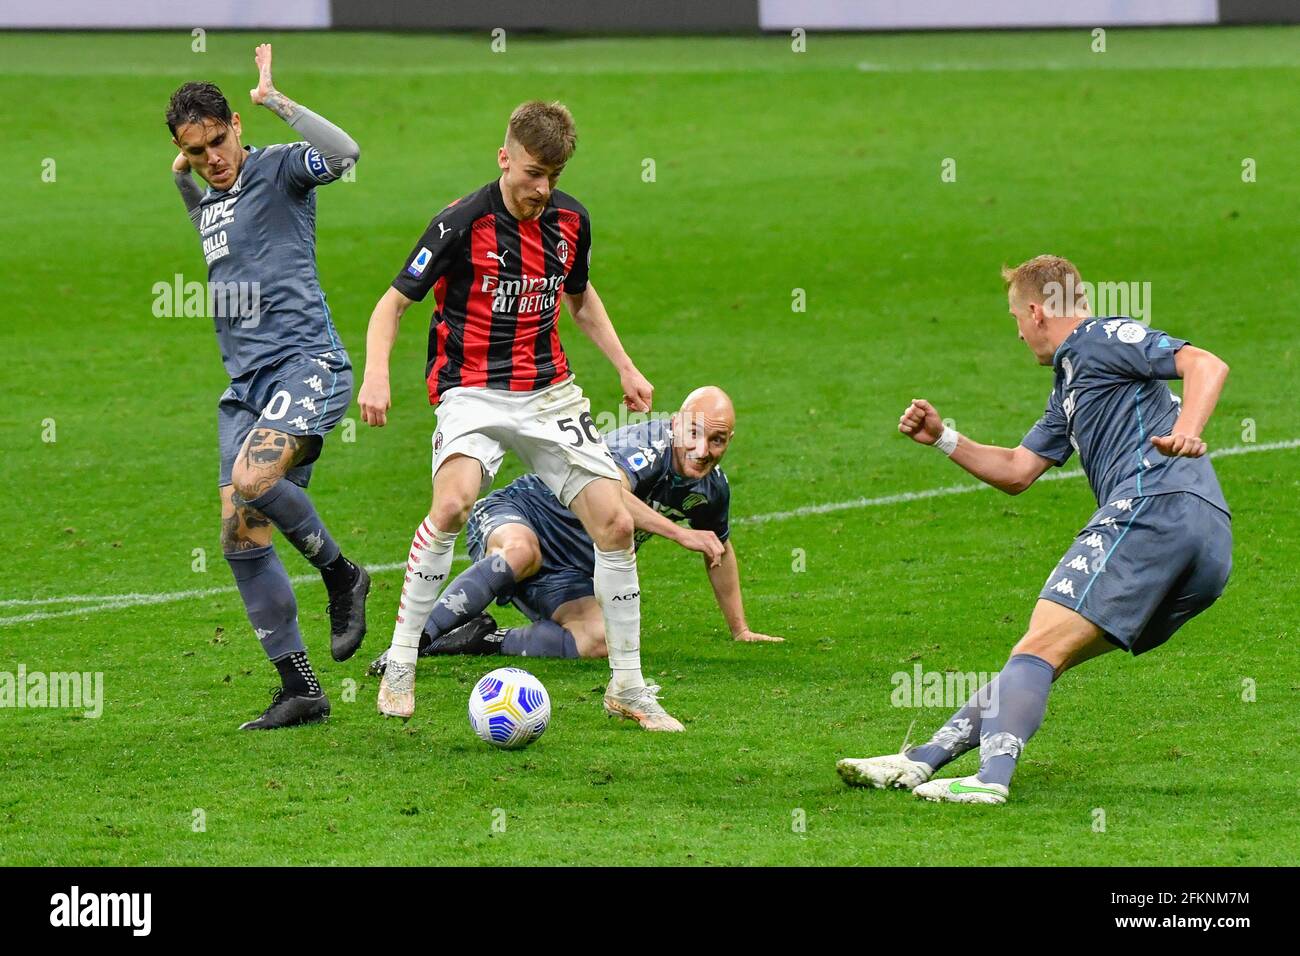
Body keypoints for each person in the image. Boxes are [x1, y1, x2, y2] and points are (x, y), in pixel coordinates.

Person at [838, 255, 1232, 803]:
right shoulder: (1071, 384)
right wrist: (943, 438)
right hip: (1206, 540)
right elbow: (1018, 471)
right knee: (1042, 654)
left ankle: (989, 780)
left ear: (1035, 310)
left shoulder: (1100, 337)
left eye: (1014, 319)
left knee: (1038, 651)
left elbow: (1206, 364)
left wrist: (1187, 431)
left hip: (1152, 508)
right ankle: (921, 761)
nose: (1019, 334)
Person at [359, 100, 675, 728]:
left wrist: (625, 366)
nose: (542, 189)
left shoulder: (571, 222)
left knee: (613, 525)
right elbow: (391, 305)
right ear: (504, 158)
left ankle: (628, 688)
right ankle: (401, 661)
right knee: (451, 507)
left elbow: (580, 300)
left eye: (553, 176)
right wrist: (375, 374)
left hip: (548, 392)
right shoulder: (457, 225)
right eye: (532, 173)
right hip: (472, 390)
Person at [367, 388, 781, 730]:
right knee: (521, 553)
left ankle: (480, 640)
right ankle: (408, 648)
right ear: (676, 423)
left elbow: (720, 550)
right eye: (694, 433)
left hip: (572, 572)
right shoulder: (645, 445)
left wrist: (740, 629)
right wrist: (680, 533)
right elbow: (613, 497)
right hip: (521, 515)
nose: (702, 449)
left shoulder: (712, 489)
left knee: (597, 640)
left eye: (717, 440)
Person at [168, 44, 369, 730]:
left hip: (306, 365)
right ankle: (301, 689)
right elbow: (212, 217)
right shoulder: (208, 203)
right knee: (240, 538)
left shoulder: (281, 168)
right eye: (196, 152)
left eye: (219, 141)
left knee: (255, 483)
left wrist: (276, 100)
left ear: (235, 125)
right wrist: (185, 183)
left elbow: (346, 155)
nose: (213, 158)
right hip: (245, 390)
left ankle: (344, 576)